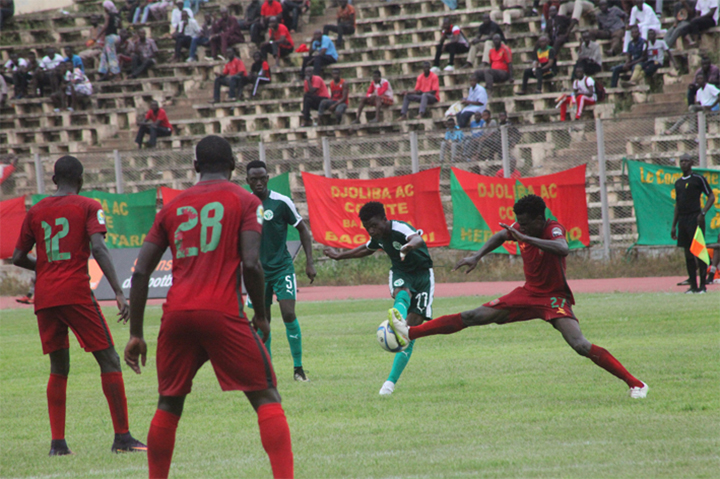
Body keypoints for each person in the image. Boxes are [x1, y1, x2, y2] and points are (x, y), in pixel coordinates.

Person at [123, 136, 293, 479]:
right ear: (232, 165)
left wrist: (137, 333)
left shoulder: (172, 206)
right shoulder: (245, 200)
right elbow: (251, 263)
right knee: (266, 396)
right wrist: (260, 315)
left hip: (176, 315)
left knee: (169, 403)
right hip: (222, 312)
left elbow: (140, 271)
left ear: (196, 166)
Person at [386, 194, 650, 399]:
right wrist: (478, 255)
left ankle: (636, 384)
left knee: (580, 344)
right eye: (518, 223)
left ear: (539, 218)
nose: (519, 227)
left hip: (554, 298)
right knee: (473, 315)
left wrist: (525, 236)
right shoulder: (523, 227)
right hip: (527, 294)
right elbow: (503, 234)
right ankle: (410, 333)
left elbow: (562, 248)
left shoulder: (552, 228)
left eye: (525, 223)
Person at [12, 155, 146, 456]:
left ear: (55, 180)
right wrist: (119, 291)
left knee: (59, 367)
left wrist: (46, 269)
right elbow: (98, 247)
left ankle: (58, 444)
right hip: (75, 293)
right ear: (81, 180)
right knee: (109, 359)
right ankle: (122, 438)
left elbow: (18, 256)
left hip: (45, 297)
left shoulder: (36, 210)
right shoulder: (88, 206)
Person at [324, 201, 436, 396]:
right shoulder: (377, 236)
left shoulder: (399, 228)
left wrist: (408, 247)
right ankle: (397, 317)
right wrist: (339, 257)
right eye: (367, 228)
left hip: (423, 276)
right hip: (402, 272)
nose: (372, 231)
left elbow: (417, 239)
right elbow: (365, 249)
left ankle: (390, 382)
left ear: (385, 219)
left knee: (411, 333)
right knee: (402, 293)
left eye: (374, 225)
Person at [245, 160, 316, 381]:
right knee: (262, 319)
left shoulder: (281, 202)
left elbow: (303, 230)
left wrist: (309, 262)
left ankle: (298, 368)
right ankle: (267, 370)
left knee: (288, 313)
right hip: (257, 271)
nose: (258, 182)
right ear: (247, 181)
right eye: (254, 179)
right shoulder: (244, 205)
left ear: (268, 178)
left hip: (282, 267)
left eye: (262, 178)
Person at [671, 154, 715, 293]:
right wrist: (674, 225)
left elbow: (711, 196)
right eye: (681, 161)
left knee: (699, 251)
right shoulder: (678, 183)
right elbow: (678, 205)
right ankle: (693, 286)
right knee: (688, 253)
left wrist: (703, 213)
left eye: (686, 161)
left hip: (695, 218)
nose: (683, 163)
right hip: (683, 220)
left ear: (691, 163)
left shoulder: (698, 179)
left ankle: (703, 286)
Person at [96, 0, 122, 82]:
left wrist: (97, 36)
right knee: (103, 55)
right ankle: (103, 72)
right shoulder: (117, 15)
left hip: (110, 37)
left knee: (111, 56)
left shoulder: (108, 15)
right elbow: (120, 26)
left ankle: (117, 75)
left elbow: (105, 26)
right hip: (116, 36)